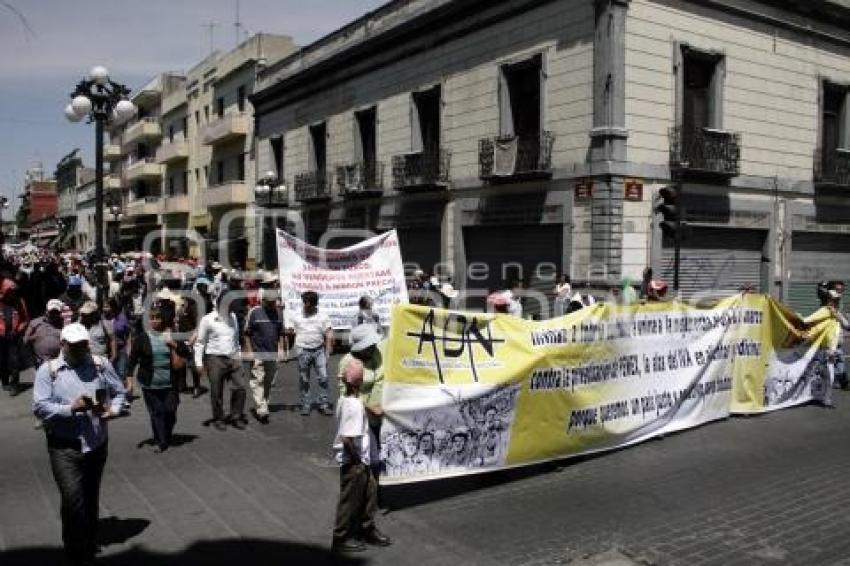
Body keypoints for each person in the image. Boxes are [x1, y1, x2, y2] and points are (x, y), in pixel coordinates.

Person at [32, 323, 126, 566]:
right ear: (63, 345)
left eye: (83, 345)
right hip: (64, 446)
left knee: (91, 495)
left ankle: (90, 539)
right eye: (74, 346)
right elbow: (40, 406)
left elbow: (119, 393)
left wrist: (112, 411)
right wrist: (70, 408)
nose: (80, 350)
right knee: (73, 499)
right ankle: (75, 550)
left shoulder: (100, 364)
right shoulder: (48, 370)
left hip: (96, 443)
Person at [331, 358, 391, 553]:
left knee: (369, 494)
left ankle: (366, 528)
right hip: (355, 461)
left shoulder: (350, 401)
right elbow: (347, 438)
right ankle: (341, 537)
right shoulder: (353, 407)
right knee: (350, 500)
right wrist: (357, 460)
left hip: (362, 460)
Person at [128, 303, 188, 452]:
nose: (155, 321)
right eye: (152, 318)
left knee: (170, 411)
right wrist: (129, 379)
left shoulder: (171, 334)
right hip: (150, 383)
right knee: (157, 411)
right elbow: (133, 360)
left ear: (163, 320)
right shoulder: (142, 338)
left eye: (158, 318)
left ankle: (165, 435)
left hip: (170, 382)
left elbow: (186, 352)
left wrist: (173, 344)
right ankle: (162, 441)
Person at [337, 324, 385, 480]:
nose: (373, 346)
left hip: (380, 414)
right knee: (371, 458)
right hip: (361, 416)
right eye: (369, 344)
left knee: (381, 455)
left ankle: (374, 490)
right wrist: (370, 408)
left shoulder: (376, 354)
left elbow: (381, 380)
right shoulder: (349, 362)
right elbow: (347, 398)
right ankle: (368, 491)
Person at [195, 295, 247, 430]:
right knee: (217, 390)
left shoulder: (233, 316)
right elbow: (200, 342)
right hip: (215, 359)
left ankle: (236, 415)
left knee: (240, 387)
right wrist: (198, 363)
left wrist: (239, 354)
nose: (232, 311)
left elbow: (235, 338)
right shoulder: (208, 320)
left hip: (234, 357)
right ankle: (219, 418)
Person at [286, 290, 334, 416]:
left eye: (309, 304)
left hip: (319, 350)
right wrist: (290, 336)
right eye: (305, 303)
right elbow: (290, 330)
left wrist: (328, 349)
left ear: (315, 304)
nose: (306, 306)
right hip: (302, 350)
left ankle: (323, 404)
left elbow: (328, 332)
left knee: (323, 377)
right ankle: (306, 404)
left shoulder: (322, 315)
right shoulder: (296, 315)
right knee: (304, 379)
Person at [244, 287, 286, 424]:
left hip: (272, 353)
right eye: (270, 302)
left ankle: (264, 403)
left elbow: (280, 332)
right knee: (257, 380)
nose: (272, 304)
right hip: (258, 352)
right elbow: (247, 334)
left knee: (270, 381)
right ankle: (262, 408)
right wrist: (249, 351)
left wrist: (280, 348)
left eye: (274, 301)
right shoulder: (254, 313)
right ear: (263, 301)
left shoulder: (278, 314)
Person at [0, 278, 29, 396]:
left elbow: (25, 318)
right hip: (1, 337)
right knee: (2, 360)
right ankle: (5, 382)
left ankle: (14, 385)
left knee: (15, 361)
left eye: (13, 291)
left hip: (14, 336)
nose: (12, 293)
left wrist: (19, 329)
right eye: (10, 291)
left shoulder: (19, 301)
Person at [24, 298, 65, 368]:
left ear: (60, 313)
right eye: (51, 312)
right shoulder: (35, 322)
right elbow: (25, 340)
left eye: (56, 312)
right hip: (40, 361)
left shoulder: (64, 324)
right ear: (46, 311)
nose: (53, 314)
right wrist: (35, 337)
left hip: (58, 361)